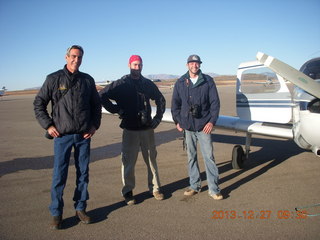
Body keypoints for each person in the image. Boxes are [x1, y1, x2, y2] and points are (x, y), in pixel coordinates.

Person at [33, 45, 102, 229]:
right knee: (59, 175)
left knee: (83, 174)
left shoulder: (87, 80)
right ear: (66, 57)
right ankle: (56, 213)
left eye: (79, 57)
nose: (76, 60)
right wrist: (48, 125)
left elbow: (96, 105)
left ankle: (80, 208)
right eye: (73, 56)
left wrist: (94, 125)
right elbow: (39, 103)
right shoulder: (54, 79)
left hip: (83, 136)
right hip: (62, 136)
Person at [99, 55, 166, 205]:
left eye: (140, 65)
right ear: (129, 65)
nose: (138, 67)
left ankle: (155, 188)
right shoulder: (121, 84)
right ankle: (128, 191)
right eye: (135, 65)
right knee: (128, 162)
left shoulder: (147, 84)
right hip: (130, 129)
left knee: (151, 160)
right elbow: (101, 96)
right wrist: (117, 110)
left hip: (147, 128)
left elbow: (160, 99)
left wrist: (157, 119)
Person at [171, 54, 223, 200]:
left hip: (203, 126)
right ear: (187, 65)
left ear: (200, 65)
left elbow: (215, 103)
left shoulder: (208, 81)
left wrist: (211, 121)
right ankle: (194, 185)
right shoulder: (180, 82)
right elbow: (175, 105)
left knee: (209, 157)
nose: (194, 65)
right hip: (188, 127)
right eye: (192, 63)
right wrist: (178, 121)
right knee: (191, 157)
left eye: (197, 63)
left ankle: (214, 189)